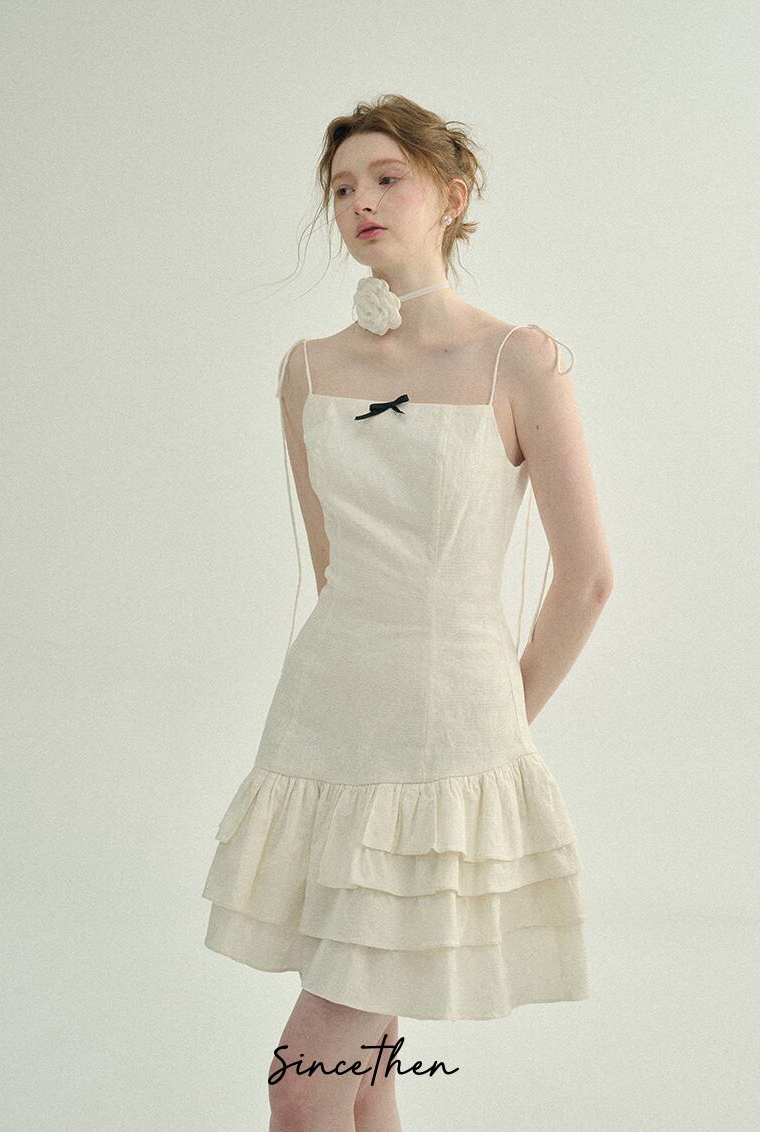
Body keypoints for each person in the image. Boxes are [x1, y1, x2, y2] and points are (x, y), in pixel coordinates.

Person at [201, 94, 613, 1132]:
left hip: (448, 735)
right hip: (323, 728)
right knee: (363, 1076)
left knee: (302, 1085)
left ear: (452, 196)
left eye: (388, 178)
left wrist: (497, 725)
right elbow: (334, 568)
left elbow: (587, 578)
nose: (361, 202)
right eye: (342, 187)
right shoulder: (307, 368)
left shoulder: (519, 357)